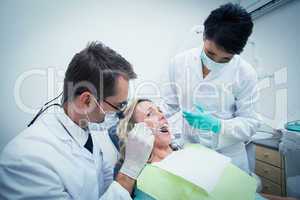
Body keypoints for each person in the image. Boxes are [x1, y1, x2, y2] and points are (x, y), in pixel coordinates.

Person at [0, 42, 155, 199]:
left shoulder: (85, 129)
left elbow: (104, 187)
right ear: (87, 100)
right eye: (118, 105)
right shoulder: (27, 160)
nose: (120, 112)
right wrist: (130, 169)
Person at [116, 99, 296, 200]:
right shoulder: (148, 184)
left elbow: (241, 194)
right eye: (150, 113)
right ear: (136, 135)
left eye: (160, 110)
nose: (162, 114)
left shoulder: (193, 152)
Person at [161, 3, 261, 173]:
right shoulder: (179, 63)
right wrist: (148, 114)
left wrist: (218, 126)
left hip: (229, 158)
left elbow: (251, 122)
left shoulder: (245, 73)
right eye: (210, 53)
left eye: (225, 59)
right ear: (204, 35)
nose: (215, 62)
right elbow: (168, 105)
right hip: (191, 152)